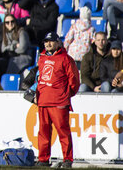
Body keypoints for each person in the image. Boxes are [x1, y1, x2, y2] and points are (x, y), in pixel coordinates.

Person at [35, 32, 79, 168]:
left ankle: (67, 159)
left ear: (58, 42)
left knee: (63, 132)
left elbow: (74, 81)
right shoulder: (41, 58)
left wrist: (65, 94)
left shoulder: (66, 59)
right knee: (43, 132)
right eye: (46, 42)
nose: (48, 44)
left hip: (59, 102)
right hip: (43, 101)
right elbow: (40, 78)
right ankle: (43, 159)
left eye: (51, 41)